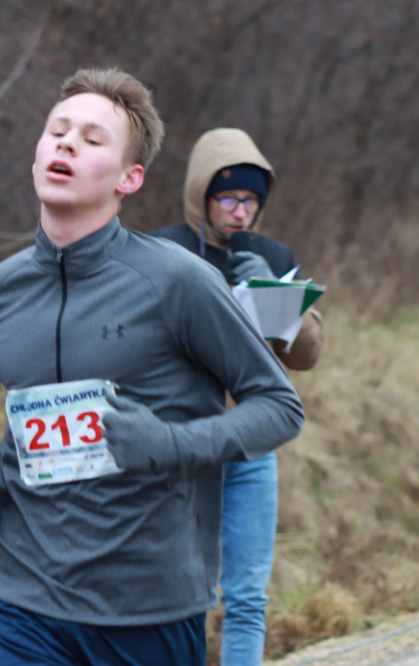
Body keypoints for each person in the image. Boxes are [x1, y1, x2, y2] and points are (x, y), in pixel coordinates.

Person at [0, 69, 305, 666]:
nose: (67, 143)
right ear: (37, 156)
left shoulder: (179, 282)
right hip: (15, 602)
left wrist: (171, 442)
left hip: (146, 609)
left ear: (131, 178)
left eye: (92, 138)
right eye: (57, 131)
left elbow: (278, 406)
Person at [153, 127, 324, 665]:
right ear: (200, 195)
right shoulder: (163, 250)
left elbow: (307, 356)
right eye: (227, 198)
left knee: (246, 598)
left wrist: (277, 293)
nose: (239, 212)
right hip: (181, 447)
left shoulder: (272, 255)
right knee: (174, 595)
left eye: (250, 201)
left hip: (251, 447)